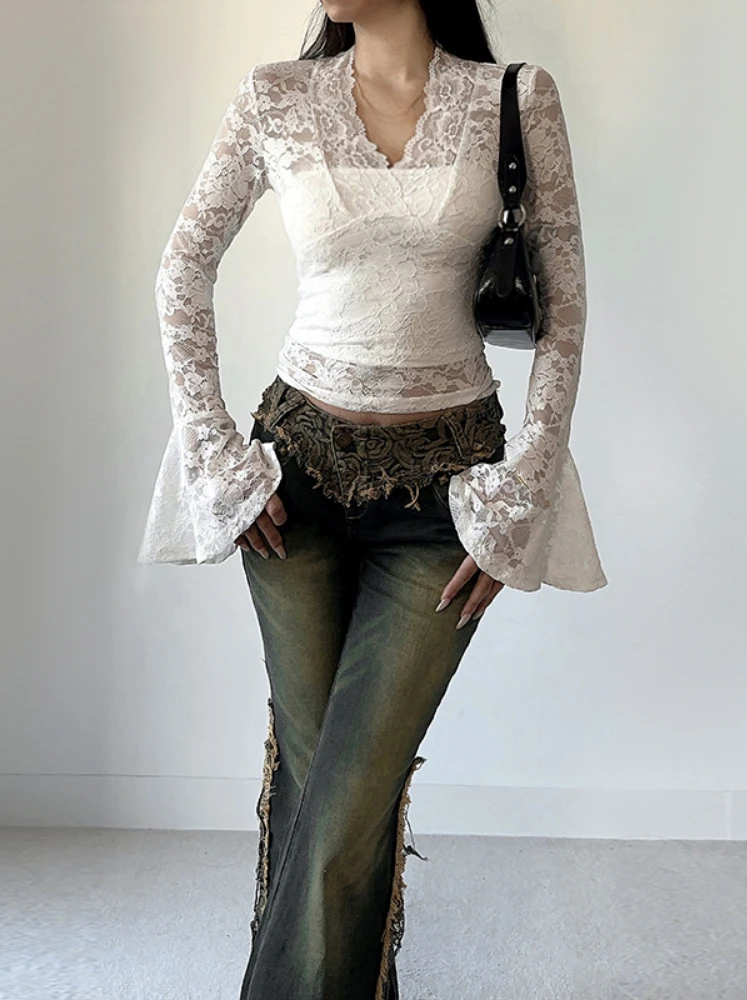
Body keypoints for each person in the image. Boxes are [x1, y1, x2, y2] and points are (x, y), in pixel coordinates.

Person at [138, 1, 608, 997]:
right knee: (320, 779)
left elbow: (563, 314)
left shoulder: (515, 99)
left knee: (349, 791)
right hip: (295, 479)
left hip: (447, 484)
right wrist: (217, 456)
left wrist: (521, 492)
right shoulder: (275, 96)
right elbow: (182, 268)